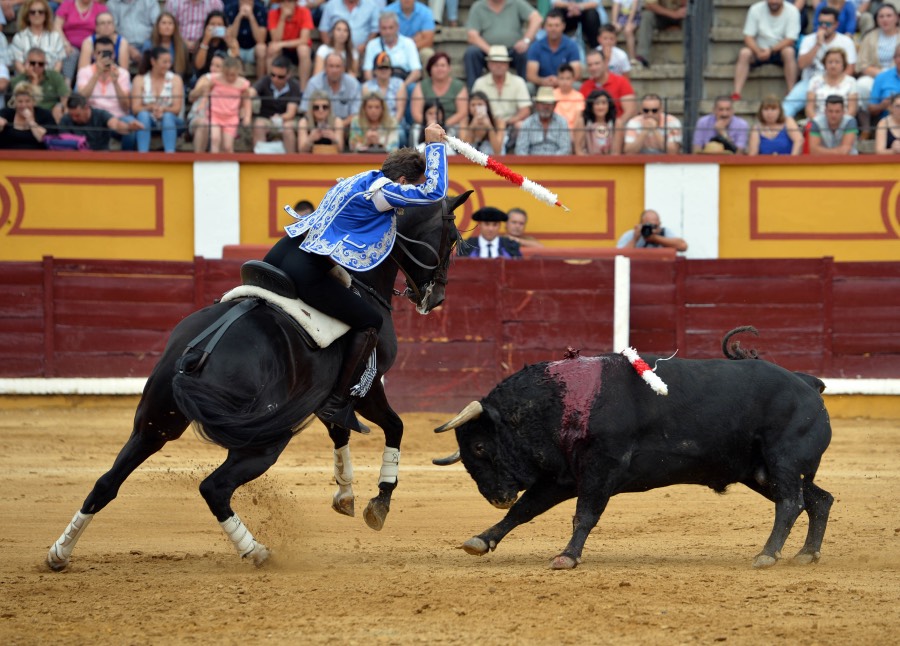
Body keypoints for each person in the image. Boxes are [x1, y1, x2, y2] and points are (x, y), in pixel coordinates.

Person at [262, 121, 449, 433]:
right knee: (370, 320)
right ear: (402, 181)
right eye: (410, 188)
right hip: (306, 266)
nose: (410, 199)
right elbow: (435, 191)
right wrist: (434, 147)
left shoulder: (360, 178)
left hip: (280, 252)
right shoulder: (385, 191)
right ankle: (337, 401)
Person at [782, 6, 855, 117]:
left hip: (838, 83)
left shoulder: (845, 41)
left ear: (836, 25)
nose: (824, 27)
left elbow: (850, 69)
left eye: (828, 24)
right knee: (787, 105)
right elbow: (801, 64)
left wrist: (833, 82)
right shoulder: (808, 40)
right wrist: (818, 44)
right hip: (810, 82)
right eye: (821, 23)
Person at [75, 36, 138, 149]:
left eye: (108, 53)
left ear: (114, 55)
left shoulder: (123, 73)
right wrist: (97, 75)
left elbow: (126, 107)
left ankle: (126, 162)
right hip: (94, 119)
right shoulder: (84, 72)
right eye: (100, 53)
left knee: (130, 123)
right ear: (94, 55)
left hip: (118, 118)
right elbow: (81, 100)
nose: (105, 56)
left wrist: (116, 82)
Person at [731, 0, 801, 102]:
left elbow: (790, 39)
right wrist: (758, 51)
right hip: (759, 49)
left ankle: (791, 92)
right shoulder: (755, 9)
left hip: (779, 50)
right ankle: (736, 93)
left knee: (789, 52)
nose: (773, 2)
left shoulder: (792, 11)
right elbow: (748, 37)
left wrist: (772, 50)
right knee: (744, 53)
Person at [463, 0, 542, 89]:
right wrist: (492, 51)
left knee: (525, 53)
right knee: (472, 52)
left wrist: (526, 40)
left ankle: (525, 91)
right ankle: (474, 93)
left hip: (513, 50)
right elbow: (472, 35)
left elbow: (537, 19)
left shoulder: (516, 3)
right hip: (487, 51)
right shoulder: (478, 6)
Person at [131, 46, 186, 152]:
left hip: (172, 120)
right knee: (142, 115)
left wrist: (163, 110)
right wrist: (151, 107)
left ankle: (170, 154)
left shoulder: (175, 79)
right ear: (153, 61)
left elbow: (176, 109)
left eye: (169, 62)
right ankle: (143, 155)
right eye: (164, 62)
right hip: (149, 119)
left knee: (168, 117)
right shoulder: (140, 79)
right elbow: (135, 108)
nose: (168, 65)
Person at [470, 45, 532, 133]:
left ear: (507, 65)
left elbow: (525, 110)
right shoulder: (480, 83)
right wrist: (488, 122)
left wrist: (508, 122)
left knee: (520, 125)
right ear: (489, 64)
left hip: (511, 124)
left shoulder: (518, 82)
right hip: (486, 125)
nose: (498, 65)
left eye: (502, 62)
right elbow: (473, 108)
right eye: (495, 62)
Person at [57, 92, 145, 150]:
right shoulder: (66, 119)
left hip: (100, 157)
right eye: (71, 115)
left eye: (77, 115)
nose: (74, 118)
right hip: (76, 159)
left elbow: (115, 124)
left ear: (86, 108)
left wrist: (128, 127)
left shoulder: (100, 115)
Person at [252, 55, 301, 154]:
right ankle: (260, 160)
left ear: (288, 75)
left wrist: (279, 118)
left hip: (286, 120)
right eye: (273, 75)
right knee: (258, 125)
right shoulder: (265, 81)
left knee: (288, 129)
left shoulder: (294, 86)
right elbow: (251, 92)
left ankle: (291, 162)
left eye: (280, 77)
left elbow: (290, 113)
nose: (275, 79)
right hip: (266, 119)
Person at [579, 48, 637, 128]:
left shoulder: (621, 82)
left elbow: (630, 111)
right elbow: (582, 113)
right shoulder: (585, 86)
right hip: (592, 130)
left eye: (597, 63)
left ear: (605, 63)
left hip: (617, 128)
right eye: (590, 65)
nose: (593, 68)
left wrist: (615, 127)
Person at [362, 11, 422, 88]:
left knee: (414, 88)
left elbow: (416, 72)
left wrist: (402, 88)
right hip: (379, 85)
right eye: (384, 28)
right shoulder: (372, 45)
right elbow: (367, 71)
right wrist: (375, 89)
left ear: (397, 27)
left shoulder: (408, 43)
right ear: (379, 29)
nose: (388, 32)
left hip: (404, 84)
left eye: (391, 28)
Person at [410, 51, 467, 131]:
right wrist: (430, 125)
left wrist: (443, 125)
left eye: (443, 65)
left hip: (451, 125)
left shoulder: (459, 86)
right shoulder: (420, 86)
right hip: (426, 125)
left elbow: (462, 112)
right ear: (430, 69)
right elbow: (416, 113)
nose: (439, 68)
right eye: (436, 65)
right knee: (415, 128)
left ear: (449, 68)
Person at [205, 55, 251, 153]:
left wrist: (247, 116)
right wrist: (203, 102)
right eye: (227, 74)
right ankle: (213, 162)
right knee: (215, 139)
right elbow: (207, 90)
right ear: (222, 72)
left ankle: (229, 166)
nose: (230, 78)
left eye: (233, 75)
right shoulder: (215, 79)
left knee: (227, 146)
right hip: (215, 114)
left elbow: (247, 101)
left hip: (231, 117)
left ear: (238, 72)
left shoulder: (242, 84)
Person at [525, 9, 582, 89]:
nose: (553, 29)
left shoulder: (571, 46)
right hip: (542, 87)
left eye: (556, 25)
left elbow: (577, 74)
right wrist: (543, 81)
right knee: (528, 87)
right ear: (544, 27)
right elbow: (530, 75)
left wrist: (560, 81)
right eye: (550, 25)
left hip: (564, 87)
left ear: (563, 26)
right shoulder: (536, 46)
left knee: (577, 86)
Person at [9, 47, 70, 122]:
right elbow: (26, 102)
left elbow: (65, 96)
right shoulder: (18, 80)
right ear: (26, 63)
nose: (36, 66)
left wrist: (60, 105)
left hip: (50, 114)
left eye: (40, 64)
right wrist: (35, 80)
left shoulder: (54, 76)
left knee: (62, 112)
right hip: (26, 113)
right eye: (33, 63)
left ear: (45, 65)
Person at [267, 0, 314, 91]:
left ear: (295, 3)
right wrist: (282, 18)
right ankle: (271, 88)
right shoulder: (273, 13)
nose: (287, 4)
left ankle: (303, 90)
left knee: (303, 49)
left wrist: (282, 44)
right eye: (284, 2)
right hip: (283, 51)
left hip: (297, 49)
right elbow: (275, 39)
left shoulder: (304, 12)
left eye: (290, 1)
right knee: (272, 49)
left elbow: (304, 40)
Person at [54, 0, 106, 81]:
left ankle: (82, 85)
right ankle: (67, 84)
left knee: (90, 53)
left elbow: (104, 30)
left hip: (91, 45)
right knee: (71, 53)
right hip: (69, 44)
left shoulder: (100, 8)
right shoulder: (67, 4)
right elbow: (57, 26)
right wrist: (65, 43)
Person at [9, 0, 65, 75]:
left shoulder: (55, 37)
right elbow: (18, 65)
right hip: (26, 80)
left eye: (40, 12)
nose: (37, 14)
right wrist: (33, 79)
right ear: (27, 15)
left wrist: (49, 80)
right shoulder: (19, 38)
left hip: (50, 81)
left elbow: (58, 64)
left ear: (46, 15)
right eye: (33, 12)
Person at [301, 52, 362, 121]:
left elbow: (356, 113)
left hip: (346, 126)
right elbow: (306, 110)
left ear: (343, 69)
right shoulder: (314, 83)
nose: (334, 70)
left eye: (337, 66)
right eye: (331, 66)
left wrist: (339, 126)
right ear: (325, 68)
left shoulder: (353, 84)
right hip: (319, 125)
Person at [515, 86, 572, 155]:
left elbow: (565, 148)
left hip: (557, 163)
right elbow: (520, 150)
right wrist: (532, 162)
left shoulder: (562, 122)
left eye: (549, 103)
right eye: (542, 103)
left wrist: (552, 161)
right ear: (536, 105)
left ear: (554, 105)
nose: (546, 107)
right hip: (532, 163)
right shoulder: (527, 123)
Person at [187, 50, 225, 152]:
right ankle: (198, 159)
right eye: (212, 65)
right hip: (200, 117)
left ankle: (219, 164)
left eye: (218, 66)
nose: (213, 68)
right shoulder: (205, 78)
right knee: (203, 123)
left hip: (220, 119)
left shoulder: (229, 83)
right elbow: (191, 98)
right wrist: (205, 88)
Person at [805, 47, 857, 119]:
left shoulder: (851, 82)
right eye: (830, 62)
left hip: (843, 123)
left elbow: (852, 110)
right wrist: (820, 123)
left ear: (843, 64)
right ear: (825, 64)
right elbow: (809, 109)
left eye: (837, 62)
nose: (833, 65)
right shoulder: (814, 81)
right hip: (818, 122)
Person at [0, 81, 55, 149]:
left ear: (34, 101)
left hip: (37, 157)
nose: (24, 105)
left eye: (27, 101)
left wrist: (31, 122)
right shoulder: (6, 113)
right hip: (7, 157)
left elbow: (43, 138)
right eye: (20, 101)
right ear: (15, 102)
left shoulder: (44, 115)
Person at [193, 10, 240, 86]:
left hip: (227, 79)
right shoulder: (201, 41)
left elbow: (236, 64)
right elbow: (199, 65)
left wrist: (229, 43)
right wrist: (206, 41)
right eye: (212, 24)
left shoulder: (231, 42)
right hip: (205, 78)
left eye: (219, 24)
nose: (216, 27)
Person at [106, 0, 160, 65]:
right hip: (123, 44)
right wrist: (128, 48)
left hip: (149, 42)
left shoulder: (150, 1)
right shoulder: (112, 4)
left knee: (151, 47)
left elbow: (157, 25)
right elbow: (111, 30)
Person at [224, 0, 268, 80]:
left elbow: (261, 39)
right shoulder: (230, 8)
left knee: (261, 48)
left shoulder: (260, 9)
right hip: (237, 48)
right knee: (233, 43)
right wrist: (239, 17)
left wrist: (251, 17)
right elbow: (230, 37)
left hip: (253, 49)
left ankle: (260, 84)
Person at [636, 0, 687, 68]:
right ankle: (642, 57)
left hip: (682, 15)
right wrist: (674, 14)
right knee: (647, 15)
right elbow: (649, 5)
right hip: (661, 15)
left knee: (691, 18)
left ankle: (690, 58)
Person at [363, 52, 408, 127]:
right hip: (373, 124)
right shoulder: (367, 86)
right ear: (375, 70)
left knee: (400, 133)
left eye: (386, 68)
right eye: (380, 68)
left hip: (395, 123)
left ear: (391, 70)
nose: (384, 71)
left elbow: (400, 110)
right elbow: (365, 111)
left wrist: (391, 127)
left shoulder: (399, 84)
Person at [141, 12, 191, 79]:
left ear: (175, 27)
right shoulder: (149, 45)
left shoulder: (181, 46)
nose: (167, 27)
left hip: (176, 81)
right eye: (164, 23)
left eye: (170, 23)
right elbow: (144, 69)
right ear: (157, 26)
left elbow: (185, 72)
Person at [386, 0, 436, 66]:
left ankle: (427, 76)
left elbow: (428, 41)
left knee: (428, 54)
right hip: (393, 48)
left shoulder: (426, 12)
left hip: (417, 49)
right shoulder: (387, 12)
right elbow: (386, 37)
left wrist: (408, 46)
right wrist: (415, 39)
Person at [573, 89, 622, 155]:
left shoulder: (616, 123)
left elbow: (616, 152)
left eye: (604, 103)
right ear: (591, 106)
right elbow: (579, 151)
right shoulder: (582, 122)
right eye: (597, 103)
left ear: (609, 105)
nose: (600, 107)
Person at [616, 209, 688, 251]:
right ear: (641, 224)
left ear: (659, 224)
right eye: (647, 226)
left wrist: (655, 238)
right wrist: (635, 239)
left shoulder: (664, 233)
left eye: (654, 226)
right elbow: (620, 256)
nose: (650, 229)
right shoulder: (631, 235)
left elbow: (683, 246)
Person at [869, 44, 900, 122]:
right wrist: (881, 106)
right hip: (887, 124)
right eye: (899, 56)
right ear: (894, 59)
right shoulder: (881, 77)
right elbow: (871, 109)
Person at [552, 63, 585, 130]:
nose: (565, 82)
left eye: (568, 78)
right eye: (562, 78)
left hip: (573, 131)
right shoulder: (552, 95)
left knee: (580, 122)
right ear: (557, 79)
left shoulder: (579, 96)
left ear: (573, 80)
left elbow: (578, 118)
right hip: (555, 129)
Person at [611, 0, 641, 66]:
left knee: (628, 30)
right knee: (613, 30)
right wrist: (614, 22)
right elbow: (615, 8)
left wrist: (629, 22)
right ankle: (611, 56)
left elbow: (634, 8)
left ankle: (632, 58)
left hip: (634, 17)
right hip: (622, 17)